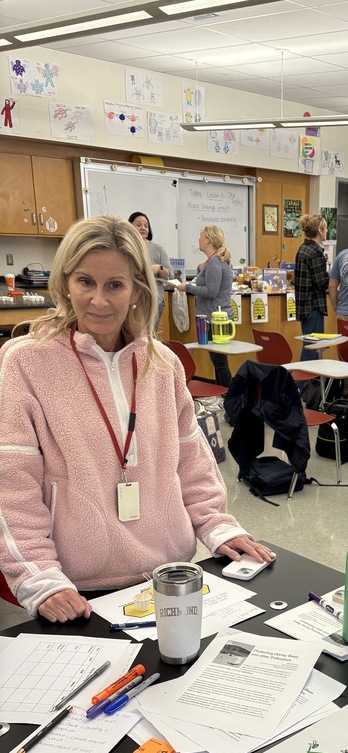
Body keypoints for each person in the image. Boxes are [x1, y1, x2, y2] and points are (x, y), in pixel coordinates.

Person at [0, 215, 274, 622]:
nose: (99, 300)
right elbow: (12, 484)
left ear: (136, 290)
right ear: (65, 283)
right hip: (77, 586)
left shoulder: (162, 364)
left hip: (169, 574)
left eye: (115, 285)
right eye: (85, 282)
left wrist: (219, 526)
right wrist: (38, 577)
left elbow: (192, 463)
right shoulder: (25, 362)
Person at [175, 225, 234, 388]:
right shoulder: (213, 262)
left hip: (215, 318)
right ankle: (225, 396)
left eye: (201, 236)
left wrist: (187, 287)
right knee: (219, 362)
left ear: (208, 240)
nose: (199, 240)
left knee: (220, 363)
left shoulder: (215, 263)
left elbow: (211, 291)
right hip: (214, 317)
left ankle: (227, 397)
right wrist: (202, 268)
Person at [128, 211, 171, 333]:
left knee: (150, 335)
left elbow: (171, 274)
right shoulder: (126, 248)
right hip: (133, 299)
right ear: (130, 226)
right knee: (134, 335)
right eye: (139, 224)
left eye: (146, 226)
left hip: (155, 299)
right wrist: (146, 270)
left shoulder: (158, 249)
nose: (143, 228)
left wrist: (159, 269)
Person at [294, 213, 329, 360]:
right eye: (325, 228)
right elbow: (321, 283)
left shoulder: (303, 248)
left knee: (310, 345)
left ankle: (309, 381)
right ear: (320, 230)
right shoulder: (315, 252)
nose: (327, 231)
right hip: (313, 307)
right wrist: (333, 278)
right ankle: (299, 383)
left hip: (304, 307)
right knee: (312, 348)